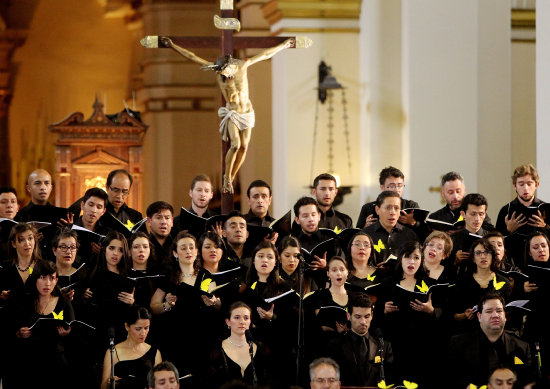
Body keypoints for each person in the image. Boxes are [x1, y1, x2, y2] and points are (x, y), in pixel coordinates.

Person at [160, 36, 295, 193]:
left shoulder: (243, 65)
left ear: (231, 65)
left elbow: (265, 55)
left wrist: (283, 46)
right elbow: (192, 57)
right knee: (235, 145)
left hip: (247, 112)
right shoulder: (219, 73)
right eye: (221, 72)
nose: (224, 74)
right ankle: (227, 179)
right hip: (232, 113)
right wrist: (173, 46)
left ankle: (230, 177)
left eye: (225, 71)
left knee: (244, 147)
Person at [373, 241, 441, 387]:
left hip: (421, 348)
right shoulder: (388, 283)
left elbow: (444, 314)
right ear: (400, 259)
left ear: (422, 260)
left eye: (416, 257)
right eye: (407, 257)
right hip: (395, 347)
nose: (412, 262)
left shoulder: (431, 285)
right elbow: (375, 316)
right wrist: (383, 310)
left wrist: (431, 311)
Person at [150, 231, 213, 380]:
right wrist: (166, 305)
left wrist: (214, 302)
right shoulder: (168, 277)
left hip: (200, 338)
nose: (188, 251)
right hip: (174, 338)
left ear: (197, 251)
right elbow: (153, 306)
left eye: (191, 247)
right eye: (183, 248)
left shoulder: (206, 275)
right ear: (175, 253)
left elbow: (217, 303)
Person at [7, 261, 74, 389]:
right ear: (35, 278)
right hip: (28, 364)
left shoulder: (64, 302)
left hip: (56, 363)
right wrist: (19, 333)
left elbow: (73, 329)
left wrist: (67, 334)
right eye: (43, 278)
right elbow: (10, 329)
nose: (47, 283)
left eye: (52, 278)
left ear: (56, 280)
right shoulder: (25, 301)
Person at [448, 293, 535, 389]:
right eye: (489, 311)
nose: (495, 315)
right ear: (479, 316)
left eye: (499, 311)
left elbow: (527, 382)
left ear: (505, 316)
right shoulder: (458, 344)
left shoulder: (522, 346)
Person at [326, 293, 393, 387]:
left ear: (372, 316)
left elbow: (391, 380)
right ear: (348, 316)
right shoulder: (335, 345)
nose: (363, 322)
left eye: (367, 316)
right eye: (358, 317)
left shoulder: (384, 346)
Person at [450, 239, 512, 335]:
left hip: (495, 333)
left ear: (492, 256)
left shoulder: (503, 282)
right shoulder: (462, 280)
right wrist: (464, 315)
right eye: (478, 253)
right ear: (473, 258)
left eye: (487, 252)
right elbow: (452, 314)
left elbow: (509, 314)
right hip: (467, 333)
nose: (483, 256)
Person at [205, 301, 271, 386]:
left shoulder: (261, 348)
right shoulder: (216, 350)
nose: (242, 322)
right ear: (228, 322)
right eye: (237, 317)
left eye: (246, 318)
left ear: (250, 321)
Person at [496, 164, 550, 267]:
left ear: (536, 185)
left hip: (543, 265)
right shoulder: (506, 210)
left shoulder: (546, 209)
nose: (525, 189)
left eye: (529, 184)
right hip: (515, 264)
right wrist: (508, 231)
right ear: (514, 185)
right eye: (521, 184)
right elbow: (495, 243)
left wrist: (545, 228)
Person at [101, 306, 162, 389]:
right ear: (127, 327)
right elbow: (103, 386)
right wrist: (110, 383)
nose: (143, 333)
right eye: (138, 329)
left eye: (146, 328)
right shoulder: (113, 352)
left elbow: (160, 385)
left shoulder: (155, 353)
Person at [363, 191, 418, 264]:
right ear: (377, 210)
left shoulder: (410, 235)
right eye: (388, 208)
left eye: (396, 208)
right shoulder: (365, 235)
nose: (393, 212)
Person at [428, 172, 494, 232]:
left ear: (464, 191)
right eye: (450, 192)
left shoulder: (475, 211)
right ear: (443, 194)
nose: (455, 196)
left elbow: (491, 232)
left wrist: (463, 231)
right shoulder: (435, 217)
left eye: (458, 191)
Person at [0, 223, 42, 305]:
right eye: (21, 239)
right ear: (13, 244)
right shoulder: (4, 268)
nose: (27, 243)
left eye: (30, 238)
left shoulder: (44, 267)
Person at [450, 193, 490, 269]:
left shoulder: (490, 239)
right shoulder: (452, 240)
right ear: (463, 214)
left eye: (481, 214)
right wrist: (455, 260)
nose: (477, 219)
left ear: (485, 214)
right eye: (473, 214)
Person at [146, 201, 174, 266]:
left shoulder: (177, 245)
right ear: (149, 221)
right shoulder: (144, 245)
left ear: (172, 222)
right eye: (158, 217)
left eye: (167, 218)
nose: (163, 222)